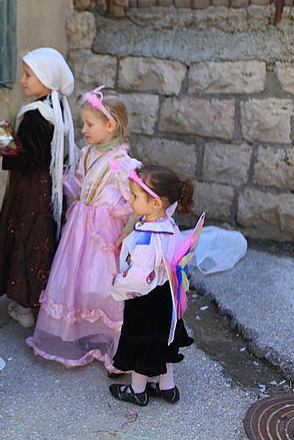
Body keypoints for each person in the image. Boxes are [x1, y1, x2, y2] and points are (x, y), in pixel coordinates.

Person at [26, 87, 138, 369]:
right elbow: (80, 185)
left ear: (110, 125)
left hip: (105, 233)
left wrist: (125, 228)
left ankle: (109, 339)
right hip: (81, 229)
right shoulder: (87, 154)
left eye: (89, 124)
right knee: (78, 280)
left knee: (101, 283)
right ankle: (84, 334)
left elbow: (134, 202)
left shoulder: (123, 165)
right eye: (83, 124)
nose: (84, 130)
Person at [0, 47, 78, 328]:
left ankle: (24, 306)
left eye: (29, 75)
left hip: (30, 189)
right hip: (50, 187)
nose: (23, 80)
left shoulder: (35, 114)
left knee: (24, 238)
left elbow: (28, 160)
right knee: (43, 238)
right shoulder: (58, 109)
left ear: (46, 78)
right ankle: (41, 299)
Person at [108, 165, 196, 407]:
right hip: (167, 295)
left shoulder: (148, 237)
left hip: (145, 298)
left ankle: (137, 390)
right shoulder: (169, 226)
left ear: (156, 203)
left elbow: (138, 276)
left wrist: (119, 285)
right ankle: (167, 386)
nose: (130, 200)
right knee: (164, 338)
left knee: (143, 342)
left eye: (135, 196)